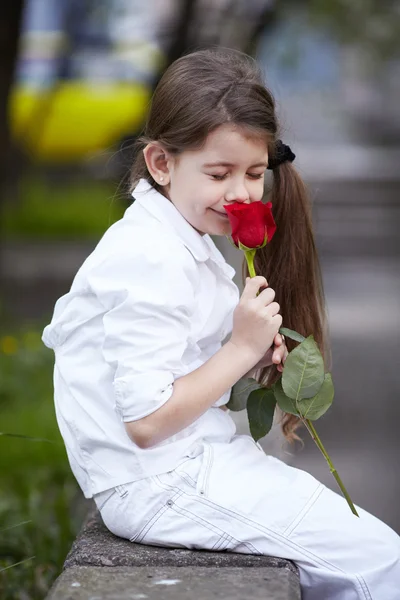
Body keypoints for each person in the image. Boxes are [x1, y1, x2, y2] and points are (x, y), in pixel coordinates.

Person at [42, 48, 400, 600]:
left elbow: (179, 369)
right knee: (380, 565)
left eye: (255, 173)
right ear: (162, 164)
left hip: (189, 469)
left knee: (363, 554)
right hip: (162, 485)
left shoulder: (180, 243)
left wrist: (250, 354)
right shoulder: (149, 255)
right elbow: (145, 420)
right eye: (219, 173)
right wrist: (239, 348)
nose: (240, 194)